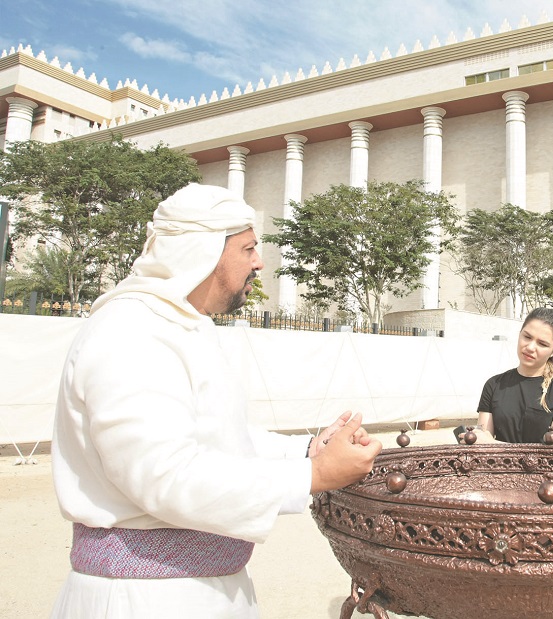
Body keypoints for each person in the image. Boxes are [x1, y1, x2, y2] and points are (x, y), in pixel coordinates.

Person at [49, 183, 382, 618]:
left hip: (200, 592)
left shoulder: (180, 326)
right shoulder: (131, 332)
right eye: (248, 249)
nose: (259, 262)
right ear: (202, 251)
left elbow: (217, 436)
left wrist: (306, 451)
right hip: (145, 599)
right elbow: (163, 474)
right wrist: (311, 476)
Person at [466, 307, 553, 444]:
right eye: (527, 337)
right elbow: (481, 441)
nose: (530, 347)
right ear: (519, 334)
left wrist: (492, 444)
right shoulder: (494, 384)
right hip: (498, 465)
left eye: (542, 344)